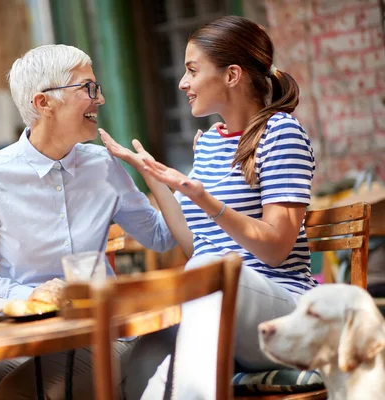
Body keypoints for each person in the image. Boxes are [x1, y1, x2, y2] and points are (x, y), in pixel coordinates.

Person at [100, 15, 317, 399]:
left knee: (205, 272)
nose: (183, 83)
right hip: (218, 307)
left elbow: (276, 247)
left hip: (285, 313)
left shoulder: (281, 131)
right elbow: (194, 245)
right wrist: (152, 175)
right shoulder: (211, 142)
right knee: (145, 355)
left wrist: (202, 197)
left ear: (232, 75)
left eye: (192, 70)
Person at [0, 44, 177, 399]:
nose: (98, 99)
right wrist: (33, 295)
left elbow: (161, 236)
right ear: (43, 103)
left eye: (95, 88)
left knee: (16, 393)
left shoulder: (103, 166)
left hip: (101, 331)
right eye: (87, 88)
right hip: (26, 333)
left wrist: (155, 177)